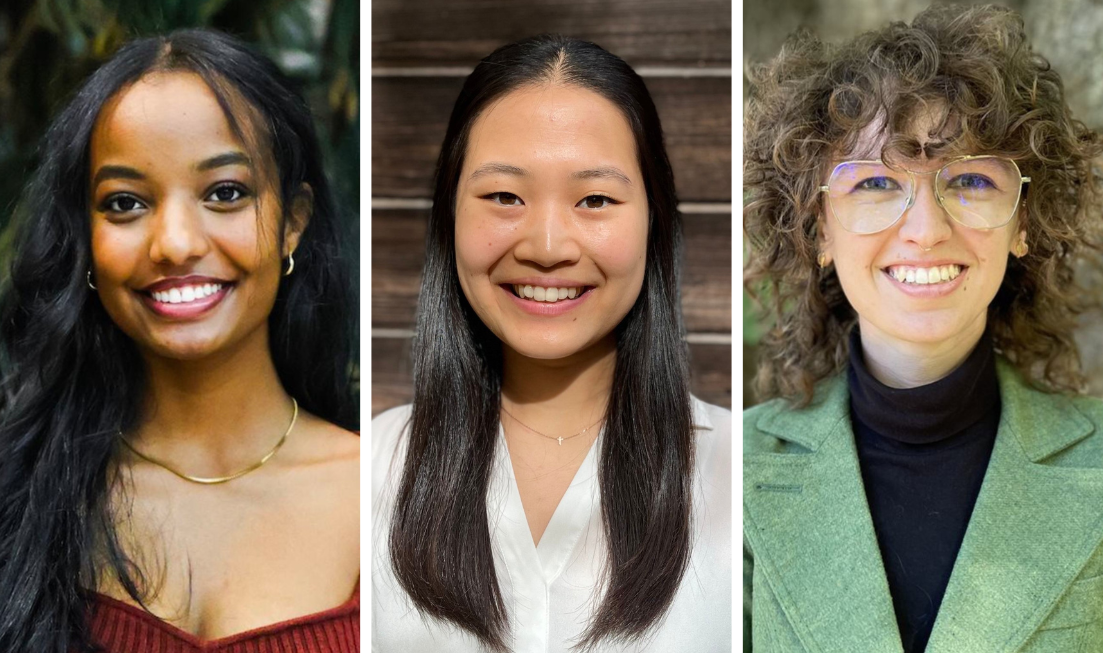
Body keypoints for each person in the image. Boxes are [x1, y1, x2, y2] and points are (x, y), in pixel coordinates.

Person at [743, 5, 1103, 652]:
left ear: (1022, 220)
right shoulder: (729, 474)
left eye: (968, 179)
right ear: (818, 227)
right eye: (876, 181)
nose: (925, 228)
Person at [0, 29, 360, 653]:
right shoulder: (20, 496)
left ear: (292, 224)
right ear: (85, 241)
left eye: (225, 193)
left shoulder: (388, 490)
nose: (174, 243)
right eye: (126, 203)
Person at [371, 34, 732, 652]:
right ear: (449, 215)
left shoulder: (736, 471)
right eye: (504, 197)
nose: (545, 246)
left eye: (595, 199)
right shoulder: (374, 469)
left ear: (654, 219)